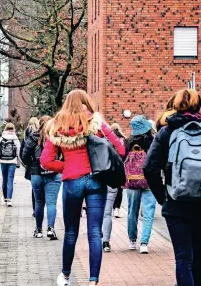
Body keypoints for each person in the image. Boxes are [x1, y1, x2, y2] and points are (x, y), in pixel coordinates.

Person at [40, 89, 126, 286]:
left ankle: (66, 276)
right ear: (86, 102)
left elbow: (46, 160)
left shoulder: (57, 126)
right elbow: (120, 149)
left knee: (71, 232)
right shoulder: (96, 123)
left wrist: (67, 166)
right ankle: (93, 281)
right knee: (95, 232)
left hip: (72, 181)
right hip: (96, 181)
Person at [143, 89, 201, 286]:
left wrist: (163, 197)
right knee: (198, 254)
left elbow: (149, 168)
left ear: (175, 106)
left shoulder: (166, 132)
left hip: (176, 204)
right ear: (199, 106)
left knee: (183, 257)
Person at [21, 115, 62, 240]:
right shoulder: (57, 137)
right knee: (51, 203)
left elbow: (24, 155)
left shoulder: (33, 137)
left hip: (36, 174)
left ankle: (38, 230)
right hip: (54, 174)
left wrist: (32, 165)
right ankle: (51, 229)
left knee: (39, 202)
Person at [122, 115, 156, 254]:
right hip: (149, 180)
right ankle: (144, 243)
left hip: (132, 180)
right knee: (148, 212)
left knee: (132, 211)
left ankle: (132, 240)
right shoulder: (152, 141)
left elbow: (123, 161)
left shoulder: (128, 142)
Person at [101, 123, 126, 253]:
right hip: (111, 179)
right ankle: (106, 241)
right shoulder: (113, 143)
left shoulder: (92, 141)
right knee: (107, 213)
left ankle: (96, 237)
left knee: (95, 212)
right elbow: (122, 152)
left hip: (96, 180)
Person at [0, 123, 21, 207]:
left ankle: (5, 198)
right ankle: (9, 199)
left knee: (4, 179)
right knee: (10, 180)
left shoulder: (1, 138)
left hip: (3, 161)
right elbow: (18, 152)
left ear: (6, 129)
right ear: (13, 129)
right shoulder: (15, 138)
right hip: (12, 162)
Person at [21, 117, 40, 217]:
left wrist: (27, 164)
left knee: (34, 189)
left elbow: (23, 151)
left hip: (32, 165)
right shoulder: (42, 133)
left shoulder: (26, 134)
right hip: (43, 164)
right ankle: (40, 208)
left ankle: (35, 209)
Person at [110, 123, 126, 218]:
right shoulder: (124, 140)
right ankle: (117, 209)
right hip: (120, 166)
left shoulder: (108, 139)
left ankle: (110, 207)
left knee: (110, 188)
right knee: (119, 189)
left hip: (110, 166)